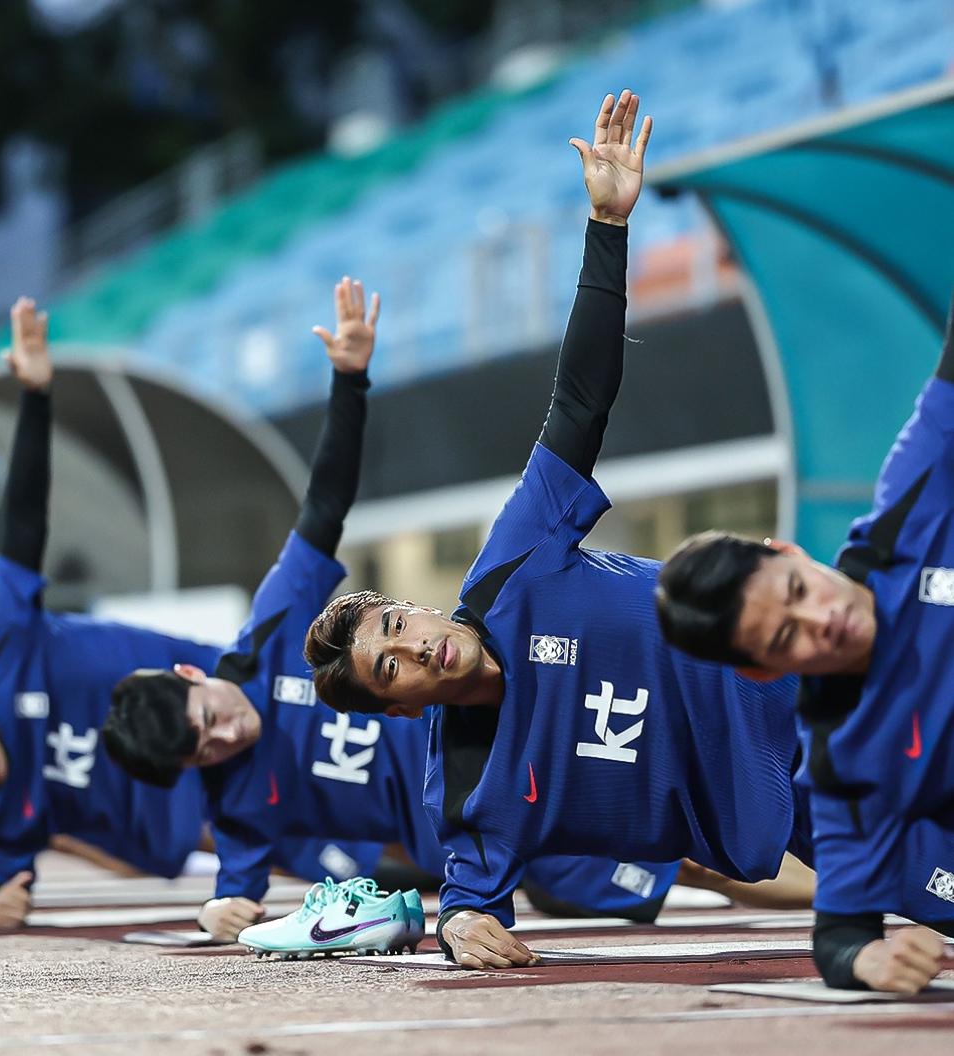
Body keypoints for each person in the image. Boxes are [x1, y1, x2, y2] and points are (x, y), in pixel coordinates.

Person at [304, 90, 815, 970]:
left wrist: (606, 227)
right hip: (802, 809)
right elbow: (467, 898)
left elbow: (579, 401)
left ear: (411, 608)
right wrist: (462, 926)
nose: (414, 650)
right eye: (390, 669)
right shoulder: (466, 788)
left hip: (808, 667)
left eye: (397, 627)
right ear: (399, 709)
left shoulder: (515, 562)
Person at [103, 274, 684, 942]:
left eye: (210, 719)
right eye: (205, 752)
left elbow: (323, 510)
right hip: (458, 829)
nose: (225, 737)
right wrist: (217, 911)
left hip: (516, 739)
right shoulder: (233, 801)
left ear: (190, 675)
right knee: (646, 858)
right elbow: (233, 895)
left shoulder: (272, 630)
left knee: (683, 836)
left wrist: (349, 381)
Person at [0, 298, 366, 925]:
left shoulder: (6, 642)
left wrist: (36, 395)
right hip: (184, 827)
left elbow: (23, 520)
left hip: (224, 723)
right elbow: (2, 878)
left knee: (356, 784)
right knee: (336, 859)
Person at [654, 287, 954, 994]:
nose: (824, 619)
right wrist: (870, 960)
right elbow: (839, 937)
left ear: (788, 552)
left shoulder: (906, 509)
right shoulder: (841, 760)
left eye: (796, 591)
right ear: (762, 672)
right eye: (787, 637)